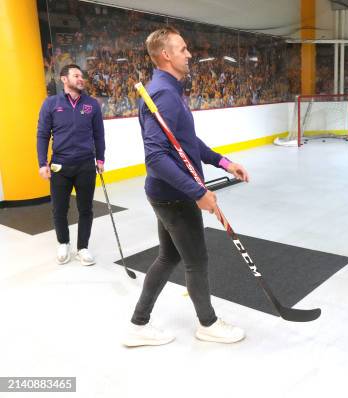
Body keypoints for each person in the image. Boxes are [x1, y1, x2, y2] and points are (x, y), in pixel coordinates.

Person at [123, 27, 250, 347]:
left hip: (168, 194)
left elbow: (185, 141)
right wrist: (197, 193)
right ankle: (207, 323)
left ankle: (138, 324)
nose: (189, 53)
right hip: (175, 197)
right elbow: (155, 156)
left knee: (168, 257)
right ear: (165, 55)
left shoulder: (168, 88)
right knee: (196, 261)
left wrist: (222, 161)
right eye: (182, 49)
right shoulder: (164, 93)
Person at [37, 64, 106, 266]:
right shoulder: (50, 104)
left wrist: (100, 159)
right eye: (76, 75)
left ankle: (83, 247)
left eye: (82, 76)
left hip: (85, 165)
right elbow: (42, 135)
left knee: (86, 209)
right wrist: (42, 162)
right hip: (60, 166)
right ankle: (63, 243)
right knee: (59, 209)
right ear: (64, 79)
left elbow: (99, 135)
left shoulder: (92, 104)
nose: (81, 78)